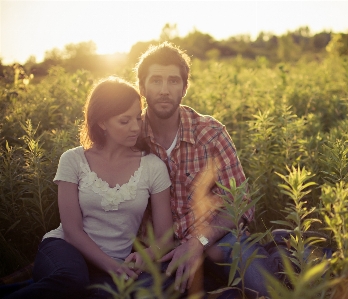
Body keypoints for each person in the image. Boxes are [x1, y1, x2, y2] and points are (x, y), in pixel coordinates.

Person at [5, 77, 173, 299]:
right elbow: (72, 230)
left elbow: (165, 237)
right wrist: (112, 266)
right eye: (124, 121)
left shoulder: (153, 166)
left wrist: (149, 254)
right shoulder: (73, 160)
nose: (135, 127)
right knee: (72, 280)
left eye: (137, 118)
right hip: (64, 250)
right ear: (102, 122)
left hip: (116, 262)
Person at [136, 42, 280, 298]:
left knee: (267, 290)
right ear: (142, 87)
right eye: (156, 81)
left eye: (173, 81)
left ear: (185, 87)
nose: (164, 90)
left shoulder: (210, 133)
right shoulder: (132, 138)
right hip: (161, 249)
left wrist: (197, 242)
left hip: (218, 240)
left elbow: (241, 203)